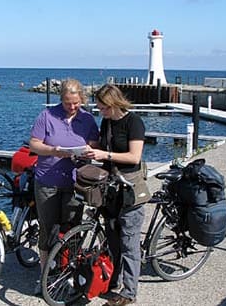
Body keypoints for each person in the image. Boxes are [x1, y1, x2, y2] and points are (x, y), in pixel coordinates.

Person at [29, 78, 99, 295]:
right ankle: (45, 275)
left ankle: (68, 272)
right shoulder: (47, 115)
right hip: (47, 181)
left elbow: (95, 143)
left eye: (76, 103)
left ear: (82, 99)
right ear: (61, 99)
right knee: (47, 229)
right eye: (68, 103)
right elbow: (34, 143)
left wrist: (88, 150)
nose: (72, 107)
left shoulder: (87, 118)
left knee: (72, 228)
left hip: (75, 182)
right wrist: (53, 150)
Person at [84, 84, 146, 306]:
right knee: (113, 241)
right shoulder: (107, 122)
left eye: (103, 108)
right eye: (99, 108)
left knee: (129, 244)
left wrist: (105, 153)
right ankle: (114, 280)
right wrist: (92, 151)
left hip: (130, 190)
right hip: (111, 190)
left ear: (114, 104)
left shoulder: (134, 122)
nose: (101, 112)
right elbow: (104, 151)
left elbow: (134, 157)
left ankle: (129, 293)